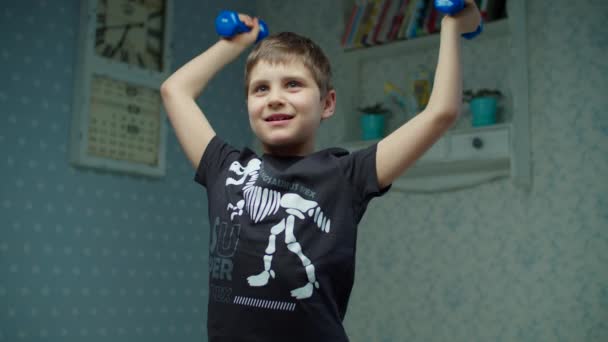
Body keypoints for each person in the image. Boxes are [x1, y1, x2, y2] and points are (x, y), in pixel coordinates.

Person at [160, 1, 481, 341]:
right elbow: (175, 90)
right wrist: (234, 45)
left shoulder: (347, 174)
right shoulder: (224, 168)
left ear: (327, 104)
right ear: (249, 106)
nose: (274, 98)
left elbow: (442, 111)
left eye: (293, 84)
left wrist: (452, 25)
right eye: (261, 88)